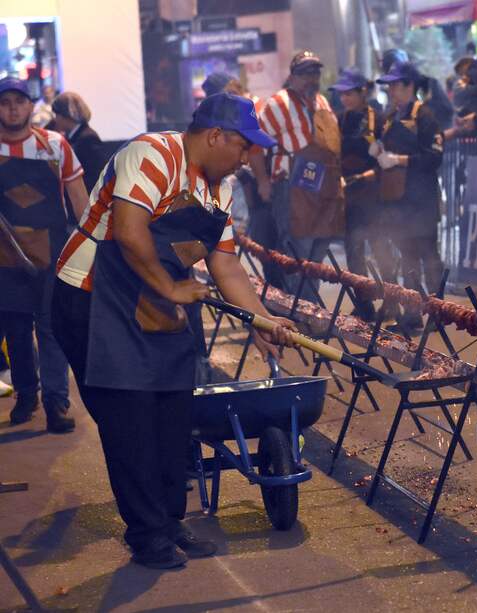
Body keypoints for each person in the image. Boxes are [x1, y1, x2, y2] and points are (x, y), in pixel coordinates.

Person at [52, 93, 296, 569]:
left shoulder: (219, 189)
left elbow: (225, 265)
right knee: (130, 422)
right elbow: (128, 230)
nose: (248, 157)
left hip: (155, 303)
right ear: (215, 136)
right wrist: (171, 286)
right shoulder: (151, 154)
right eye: (244, 146)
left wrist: (262, 320)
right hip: (91, 299)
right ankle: (147, 536)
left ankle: (169, 519)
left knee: (172, 413)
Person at [0, 77, 89, 432]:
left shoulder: (56, 145)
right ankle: (26, 395)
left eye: (18, 101)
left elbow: (80, 199)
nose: (12, 108)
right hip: (4, 260)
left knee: (52, 330)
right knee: (17, 331)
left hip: (53, 254)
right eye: (5, 102)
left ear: (30, 106)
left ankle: (56, 403)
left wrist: (88, 245)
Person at [251, 51, 345, 295]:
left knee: (317, 253)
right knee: (297, 253)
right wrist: (262, 181)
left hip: (324, 186)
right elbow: (254, 146)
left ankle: (311, 312)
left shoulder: (322, 102)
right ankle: (301, 315)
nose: (312, 78)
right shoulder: (276, 103)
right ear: (292, 76)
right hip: (291, 188)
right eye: (305, 73)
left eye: (315, 72)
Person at [373, 61, 445, 331]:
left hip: (422, 200)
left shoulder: (425, 116)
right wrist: (378, 150)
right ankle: (412, 313)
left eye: (395, 85)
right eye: (389, 85)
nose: (391, 90)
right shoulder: (392, 116)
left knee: (429, 257)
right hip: (398, 202)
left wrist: (401, 160)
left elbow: (434, 157)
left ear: (409, 86)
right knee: (408, 258)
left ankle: (440, 314)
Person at [330, 68, 392, 321]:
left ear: (362, 92)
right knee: (354, 251)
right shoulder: (339, 120)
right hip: (349, 196)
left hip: (373, 195)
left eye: (349, 93)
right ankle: (363, 303)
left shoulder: (378, 119)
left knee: (380, 250)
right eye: (342, 94)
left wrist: (364, 177)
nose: (345, 98)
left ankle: (393, 302)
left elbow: (386, 161)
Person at [49, 92, 108, 195]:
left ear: (66, 115)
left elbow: (95, 177)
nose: (55, 119)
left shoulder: (88, 139)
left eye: (57, 115)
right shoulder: (72, 137)